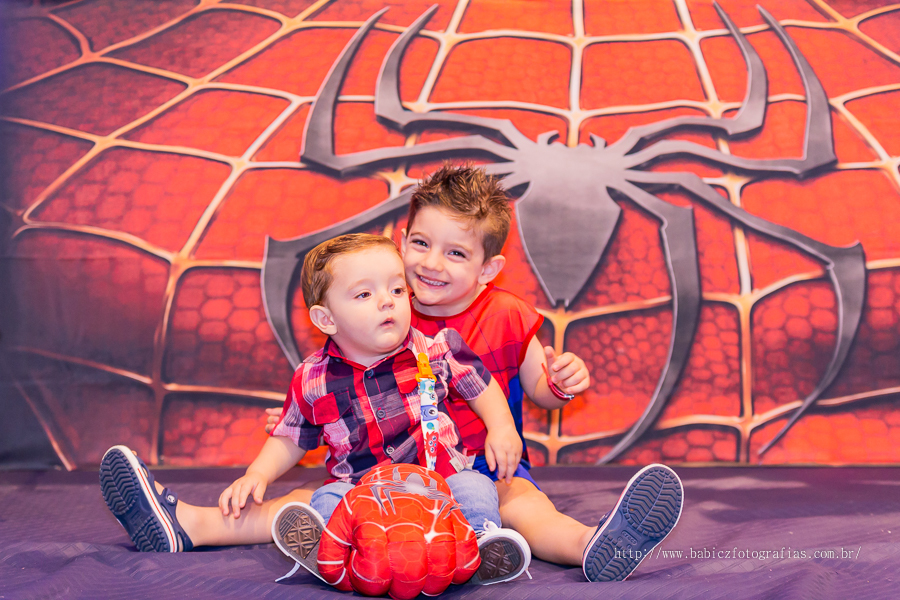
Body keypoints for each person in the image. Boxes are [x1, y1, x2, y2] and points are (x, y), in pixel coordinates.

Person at [267, 165, 684, 582]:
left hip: (484, 466)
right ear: (401, 242)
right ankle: (229, 528)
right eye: (421, 243)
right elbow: (341, 384)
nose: (431, 263)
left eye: (456, 253)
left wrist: (560, 381)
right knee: (313, 499)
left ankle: (589, 544)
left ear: (488, 268)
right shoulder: (384, 307)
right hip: (390, 470)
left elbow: (540, 389)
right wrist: (308, 419)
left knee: (524, 505)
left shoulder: (506, 315)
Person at [100, 233, 530, 587]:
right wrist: (258, 474)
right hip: (362, 496)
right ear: (326, 319)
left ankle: (479, 545)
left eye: (397, 289)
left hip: (439, 486)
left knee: (477, 487)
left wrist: (501, 428)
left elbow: (482, 387)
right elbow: (290, 436)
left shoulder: (434, 350)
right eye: (365, 294)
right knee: (326, 498)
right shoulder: (313, 377)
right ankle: (330, 551)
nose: (388, 301)